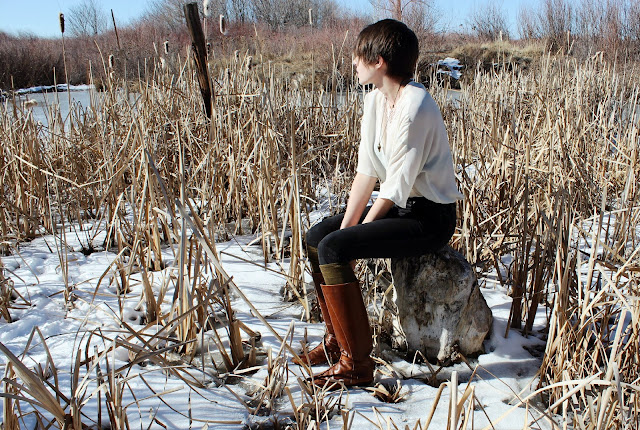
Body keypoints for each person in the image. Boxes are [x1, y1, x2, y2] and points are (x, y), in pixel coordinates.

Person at [293, 19, 463, 388]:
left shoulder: (416, 106)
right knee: (318, 238)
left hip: (429, 217)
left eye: (359, 56)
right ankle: (336, 342)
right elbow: (366, 173)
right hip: (399, 208)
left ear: (379, 61)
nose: (354, 62)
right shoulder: (375, 100)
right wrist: (347, 231)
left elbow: (395, 187)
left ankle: (356, 366)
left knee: (335, 248)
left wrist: (351, 243)